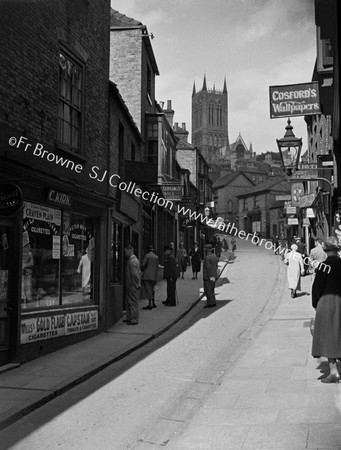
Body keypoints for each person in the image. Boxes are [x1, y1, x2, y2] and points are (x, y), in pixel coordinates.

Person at [312, 237, 341, 383]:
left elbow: (317, 288)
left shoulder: (323, 266)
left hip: (327, 302)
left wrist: (316, 303)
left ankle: (334, 371)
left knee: (329, 336)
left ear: (326, 250)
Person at [124, 245, 141, 325]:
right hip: (131, 285)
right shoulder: (134, 261)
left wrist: (136, 284)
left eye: (126, 251)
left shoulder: (132, 261)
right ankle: (130, 317)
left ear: (130, 250)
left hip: (132, 285)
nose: (125, 253)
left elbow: (135, 275)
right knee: (129, 301)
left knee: (132, 302)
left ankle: (134, 318)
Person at [141, 245, 159, 310]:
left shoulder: (147, 256)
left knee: (148, 290)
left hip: (147, 275)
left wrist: (141, 270)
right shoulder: (156, 257)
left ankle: (150, 304)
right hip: (154, 275)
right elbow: (157, 267)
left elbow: (143, 264)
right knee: (152, 289)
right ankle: (153, 302)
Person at [203, 243, 218, 308]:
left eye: (205, 249)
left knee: (207, 290)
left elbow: (208, 268)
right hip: (214, 276)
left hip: (208, 277)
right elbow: (216, 266)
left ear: (207, 250)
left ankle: (210, 302)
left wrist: (210, 276)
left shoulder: (207, 257)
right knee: (212, 289)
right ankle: (213, 301)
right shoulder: (214, 256)